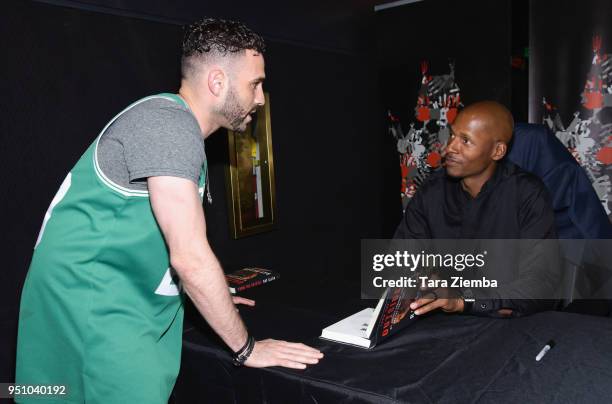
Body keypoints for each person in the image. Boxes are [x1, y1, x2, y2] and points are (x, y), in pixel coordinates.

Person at [15, 18, 322, 404]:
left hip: (103, 306)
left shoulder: (173, 126)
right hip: (93, 317)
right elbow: (190, 258)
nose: (260, 99)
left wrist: (215, 295)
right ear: (217, 82)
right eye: (255, 84)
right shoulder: (170, 126)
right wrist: (249, 349)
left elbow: (149, 235)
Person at [394, 101, 559, 318]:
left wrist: (466, 299)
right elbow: (402, 258)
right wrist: (422, 277)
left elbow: (542, 284)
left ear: (497, 151)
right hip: (439, 323)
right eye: (452, 135)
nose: (450, 147)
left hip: (507, 326)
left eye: (465, 140)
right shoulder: (432, 192)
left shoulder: (527, 194)